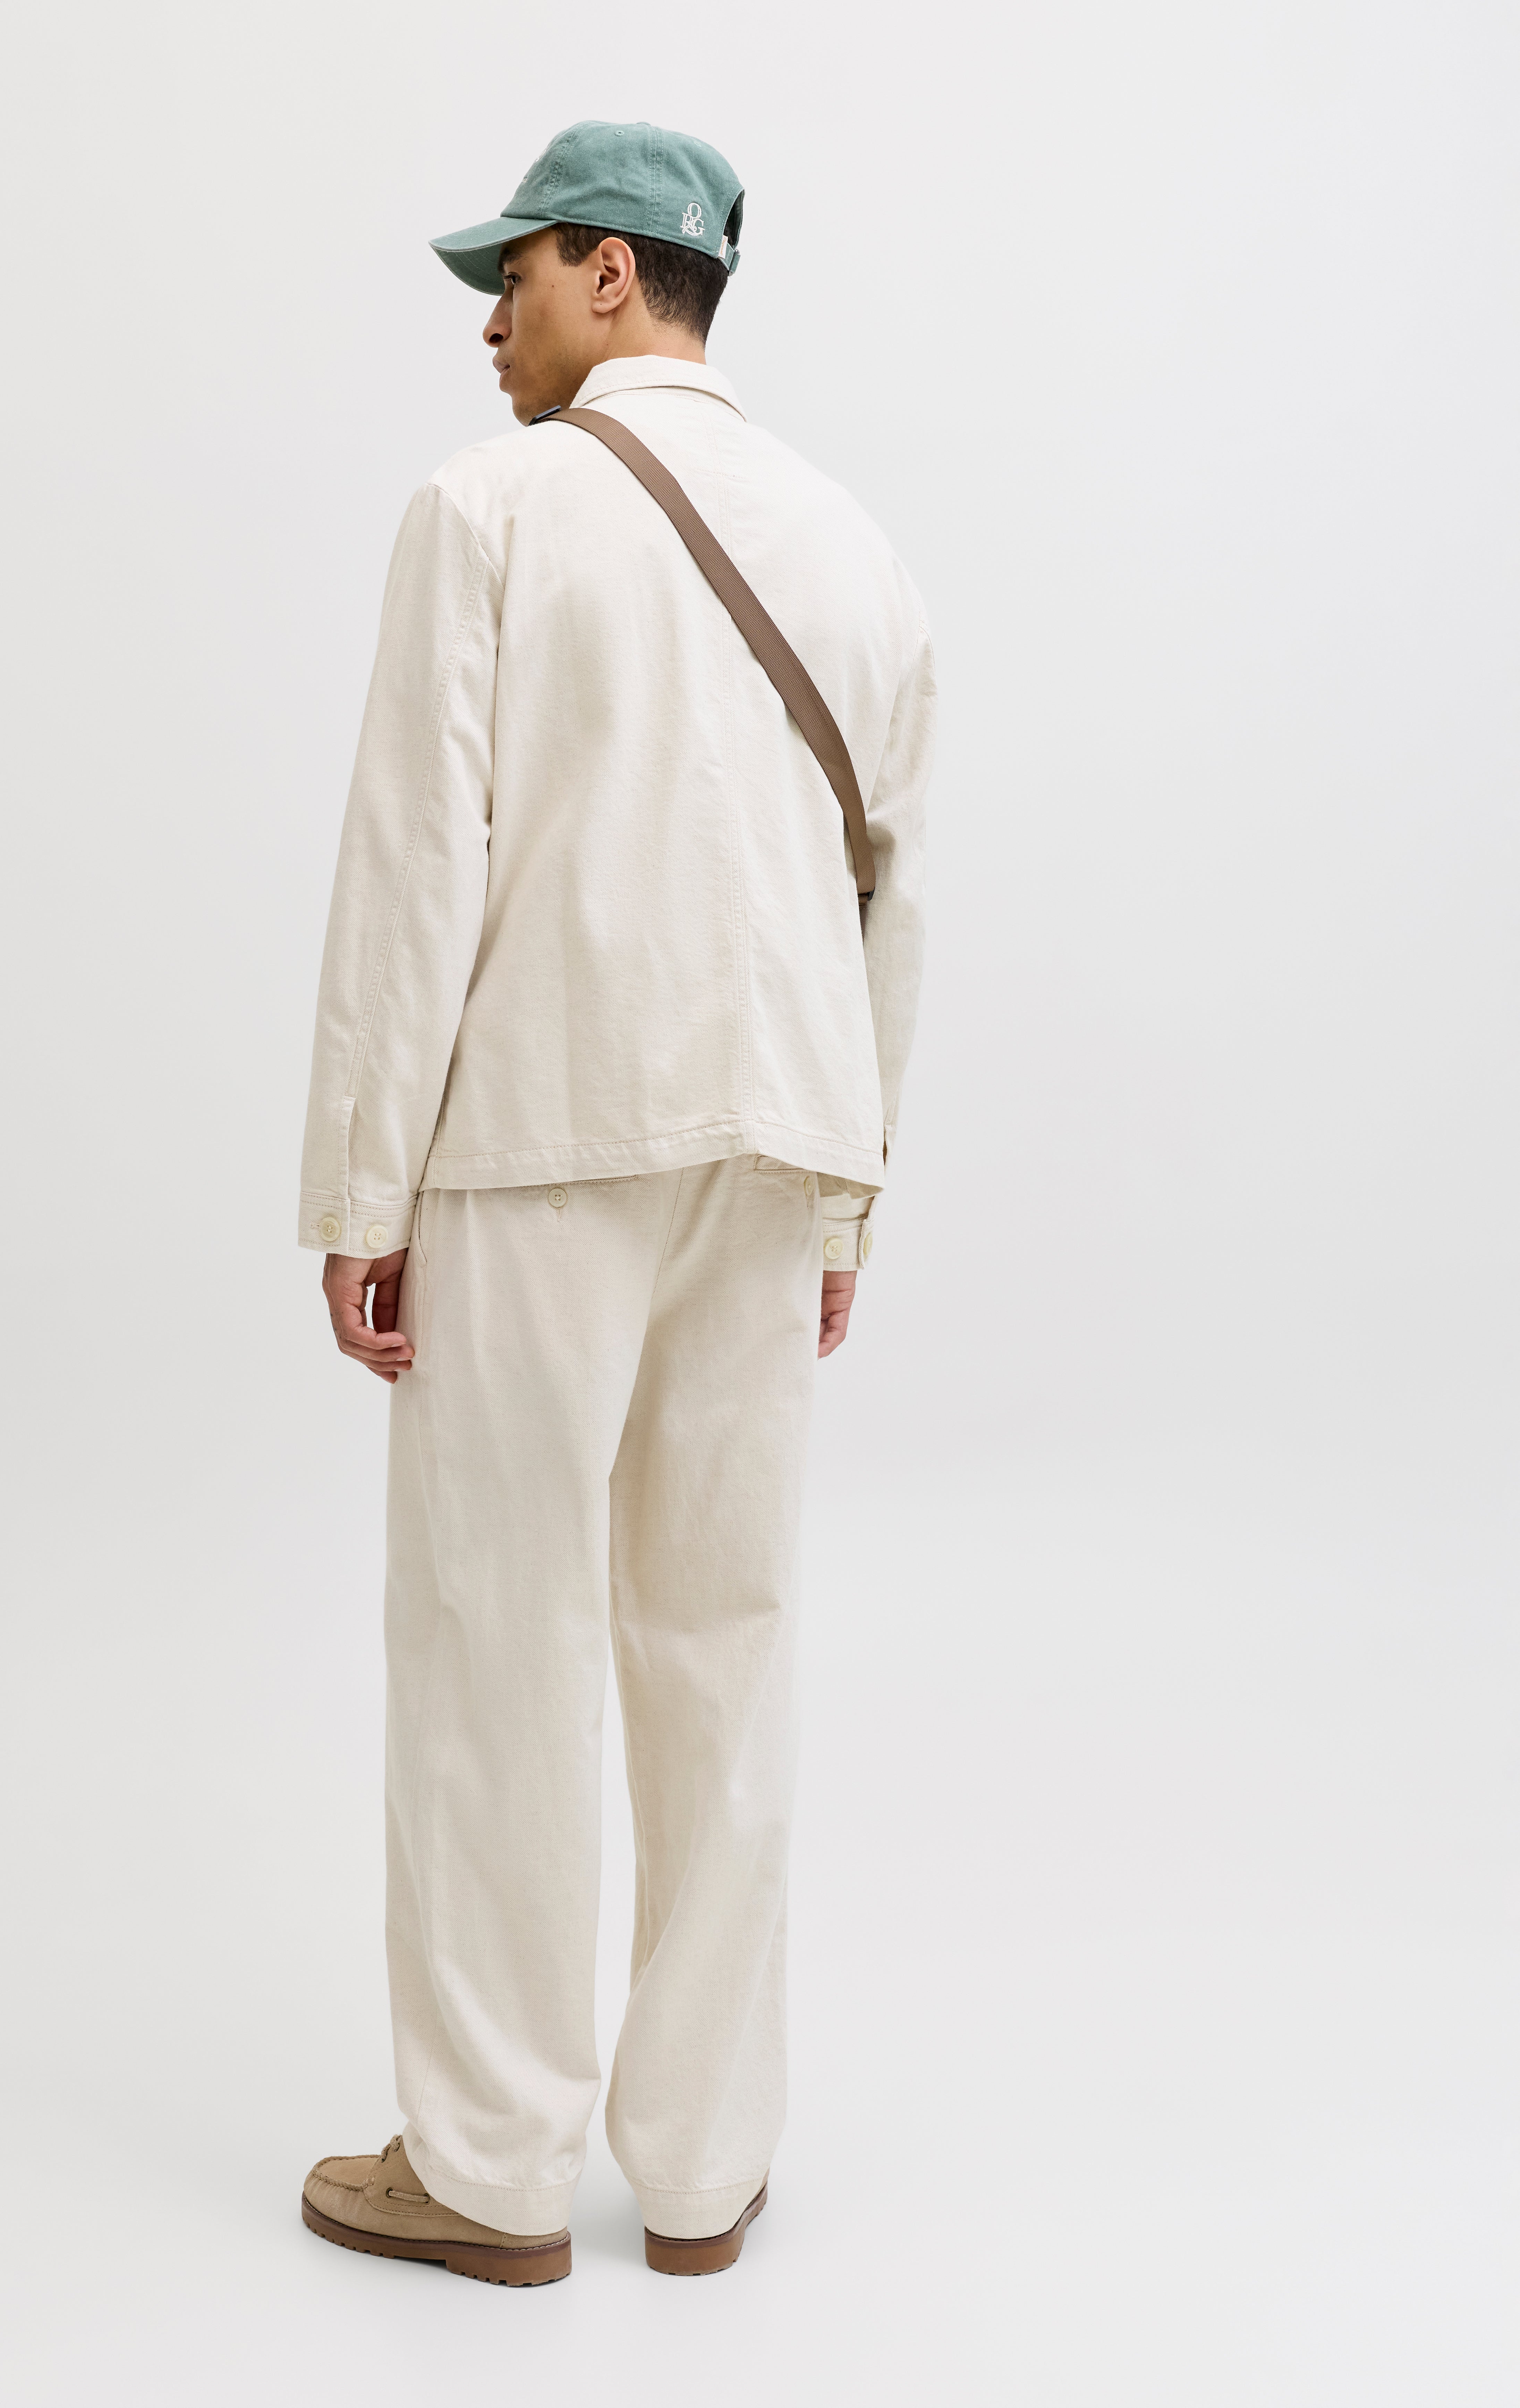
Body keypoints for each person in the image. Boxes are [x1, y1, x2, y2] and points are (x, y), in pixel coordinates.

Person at [296, 119, 936, 2285]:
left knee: (499, 1641)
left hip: (542, 1130)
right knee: (720, 1645)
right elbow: (891, 902)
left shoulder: (484, 511)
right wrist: (844, 1212)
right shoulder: (852, 544)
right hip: (774, 1140)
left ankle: (487, 2172)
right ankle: (701, 2167)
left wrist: (359, 1190)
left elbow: (418, 867)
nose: (487, 324)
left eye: (509, 277)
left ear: (603, 269)